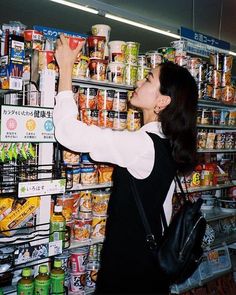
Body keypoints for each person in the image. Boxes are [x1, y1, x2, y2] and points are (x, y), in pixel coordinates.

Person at [53, 35, 198, 294]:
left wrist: (65, 69)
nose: (139, 82)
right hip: (150, 270)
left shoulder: (142, 145)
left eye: (148, 80)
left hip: (128, 271)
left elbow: (68, 132)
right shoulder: (166, 144)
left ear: (162, 101)